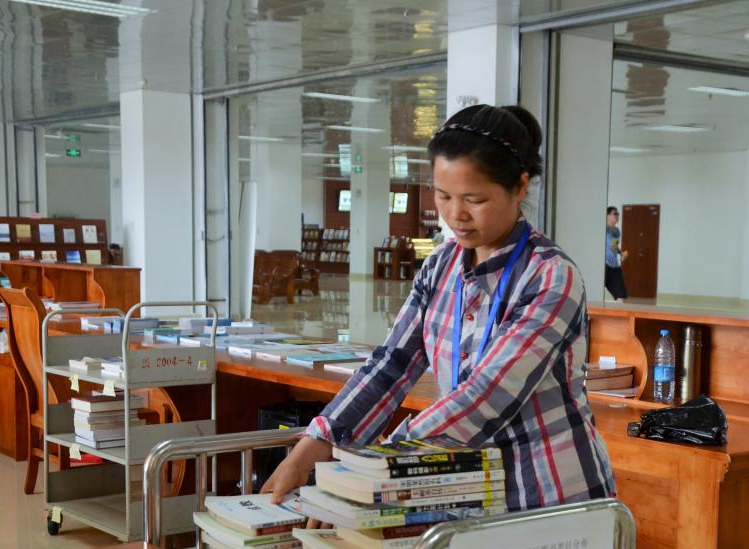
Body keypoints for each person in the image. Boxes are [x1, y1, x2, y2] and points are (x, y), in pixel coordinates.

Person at [262, 103, 616, 516]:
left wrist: (364, 474)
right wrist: (315, 443)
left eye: (474, 199)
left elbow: (485, 397)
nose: (455, 215)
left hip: (549, 493)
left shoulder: (550, 276)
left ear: (520, 187)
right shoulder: (440, 265)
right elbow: (391, 364)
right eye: (443, 196)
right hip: (467, 489)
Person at [604, 206, 627, 300]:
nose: (617, 216)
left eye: (618, 214)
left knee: (622, 295)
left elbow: (614, 246)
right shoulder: (603, 228)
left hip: (614, 266)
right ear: (607, 216)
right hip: (604, 266)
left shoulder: (617, 231)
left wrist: (621, 253)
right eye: (615, 214)